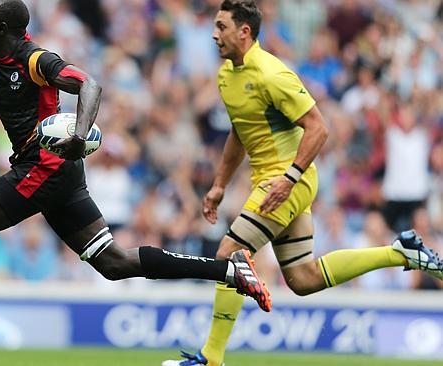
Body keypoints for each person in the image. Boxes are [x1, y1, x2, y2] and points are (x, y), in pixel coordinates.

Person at [0, 1, 270, 365]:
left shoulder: (36, 60)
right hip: (53, 172)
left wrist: (80, 134)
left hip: (45, 165)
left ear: (3, 28)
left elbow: (89, 86)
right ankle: (229, 270)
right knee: (114, 262)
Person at [163, 1, 443, 365]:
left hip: (287, 181)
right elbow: (240, 131)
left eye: (221, 26)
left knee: (231, 252)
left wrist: (289, 178)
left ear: (244, 31)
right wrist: (220, 185)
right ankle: (401, 252)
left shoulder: (272, 73)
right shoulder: (226, 75)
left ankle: (210, 357)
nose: (214, 34)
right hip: (269, 181)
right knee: (303, 278)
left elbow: (319, 127)